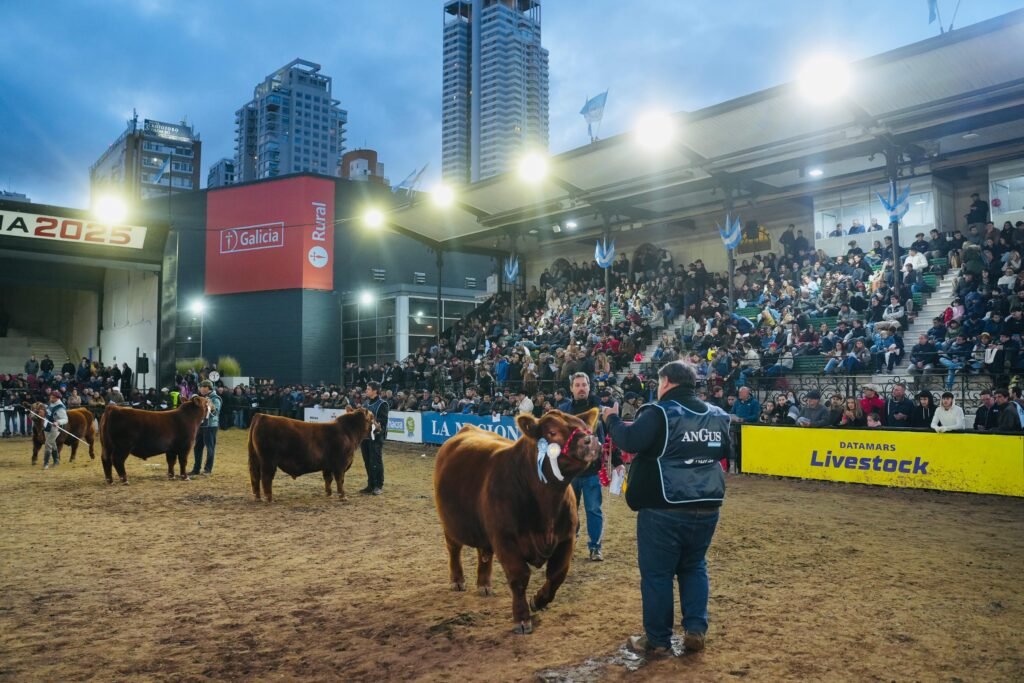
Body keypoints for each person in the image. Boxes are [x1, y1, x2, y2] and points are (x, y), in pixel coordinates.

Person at [603, 361, 728, 657]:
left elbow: (630, 440)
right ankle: (695, 629)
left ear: (667, 382)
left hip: (665, 505)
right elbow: (724, 452)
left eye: (659, 383)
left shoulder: (660, 412)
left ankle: (658, 639)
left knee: (657, 574)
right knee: (694, 565)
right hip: (707, 503)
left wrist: (612, 420)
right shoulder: (718, 415)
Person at [566, 372, 620, 562]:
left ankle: (595, 547)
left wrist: (618, 462)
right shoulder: (563, 410)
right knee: (568, 512)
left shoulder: (600, 410)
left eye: (584, 385)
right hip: (569, 473)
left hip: (592, 472)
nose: (581, 388)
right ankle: (569, 545)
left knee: (593, 510)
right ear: (572, 388)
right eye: (577, 385)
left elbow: (610, 437)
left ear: (589, 387)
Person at [360, 381, 389, 495]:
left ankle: (378, 485)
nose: (366, 391)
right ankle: (370, 484)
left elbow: (383, 421)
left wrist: (373, 423)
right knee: (367, 461)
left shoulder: (382, 404)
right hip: (365, 437)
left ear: (375, 391)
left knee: (375, 460)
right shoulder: (366, 403)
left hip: (376, 436)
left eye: (368, 389)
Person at [190, 380, 221, 477]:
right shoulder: (201, 398)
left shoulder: (215, 398)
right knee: (197, 448)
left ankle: (207, 470)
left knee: (210, 448)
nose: (200, 389)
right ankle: (196, 469)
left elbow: (215, 412)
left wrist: (210, 406)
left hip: (211, 426)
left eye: (201, 387)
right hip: (201, 425)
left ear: (207, 388)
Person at [42, 390, 69, 469]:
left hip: (54, 428)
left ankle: (46, 463)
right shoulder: (52, 403)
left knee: (48, 444)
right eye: (50, 396)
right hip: (47, 426)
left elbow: (65, 419)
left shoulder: (60, 407)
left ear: (57, 398)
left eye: (52, 397)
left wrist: (58, 422)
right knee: (52, 443)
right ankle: (56, 461)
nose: (50, 398)